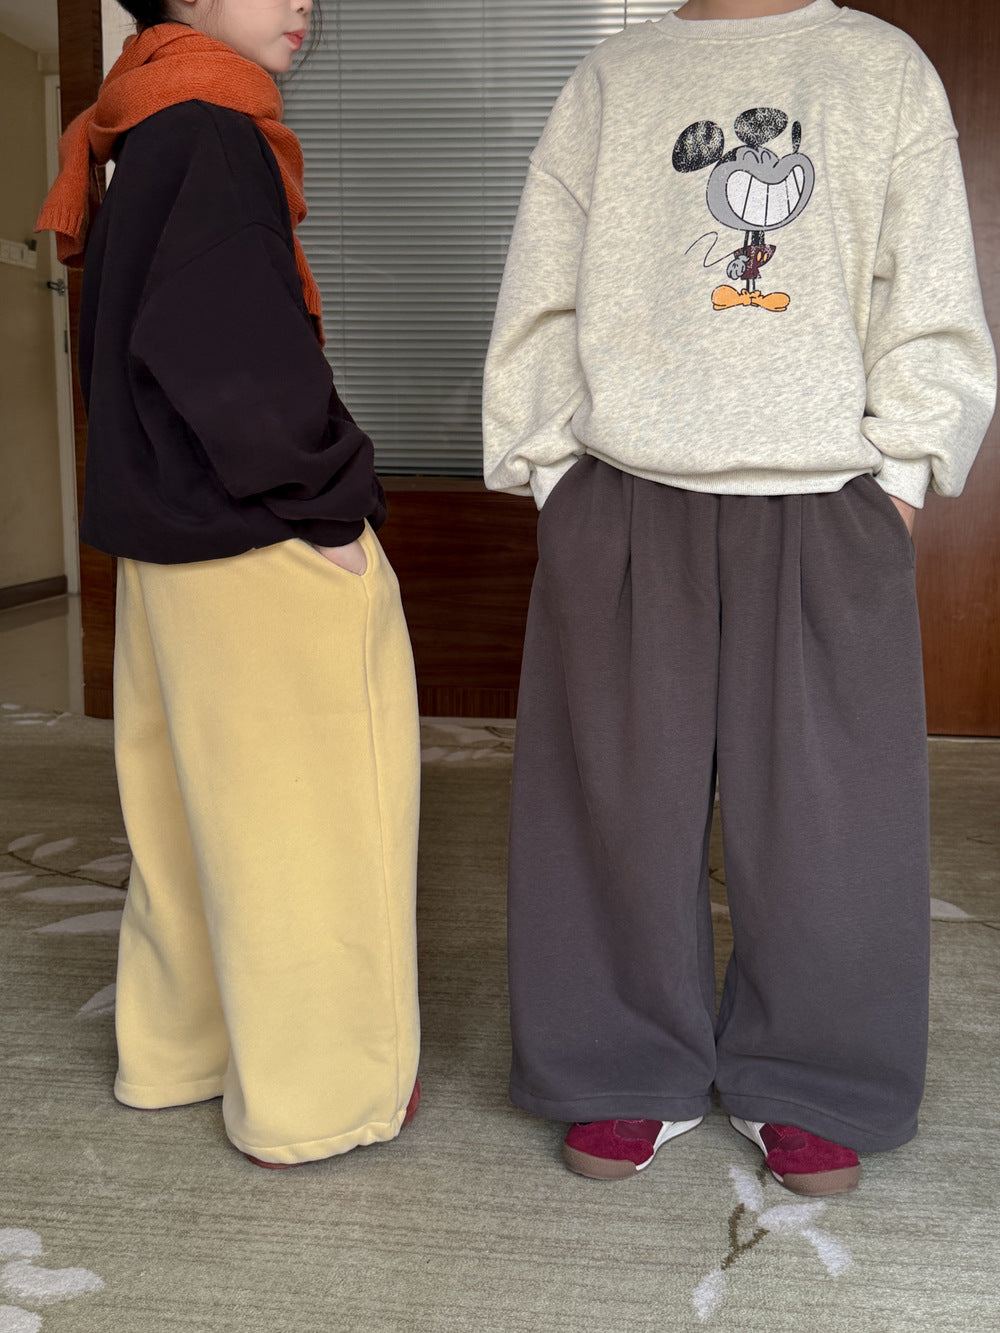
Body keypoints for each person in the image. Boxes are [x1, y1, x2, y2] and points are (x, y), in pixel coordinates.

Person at [483, 0, 995, 1195]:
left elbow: (928, 291)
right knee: (608, 802)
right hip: (624, 492)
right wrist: (553, 469)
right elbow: (542, 293)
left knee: (832, 817)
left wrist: (901, 479)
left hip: (824, 501)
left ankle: (812, 1074)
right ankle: (621, 1059)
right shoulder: (612, 78)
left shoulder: (880, 69)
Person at [37, 0, 421, 1169]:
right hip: (259, 539)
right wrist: (328, 499)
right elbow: (230, 340)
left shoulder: (143, 118)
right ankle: (320, 1096)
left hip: (167, 541)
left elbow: (142, 339)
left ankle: (181, 1050)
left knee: (189, 815)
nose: (301, 2)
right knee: (316, 826)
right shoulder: (211, 125)